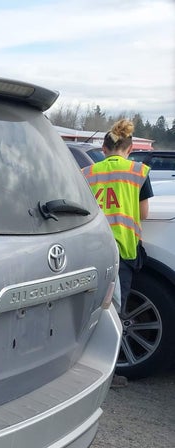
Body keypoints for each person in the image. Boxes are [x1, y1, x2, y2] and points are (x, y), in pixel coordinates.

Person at [81, 119, 153, 387]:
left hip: (90, 249)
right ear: (130, 147)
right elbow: (143, 213)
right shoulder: (138, 172)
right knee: (113, 315)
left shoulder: (87, 173)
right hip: (122, 249)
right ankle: (104, 374)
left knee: (86, 312)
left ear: (103, 147)